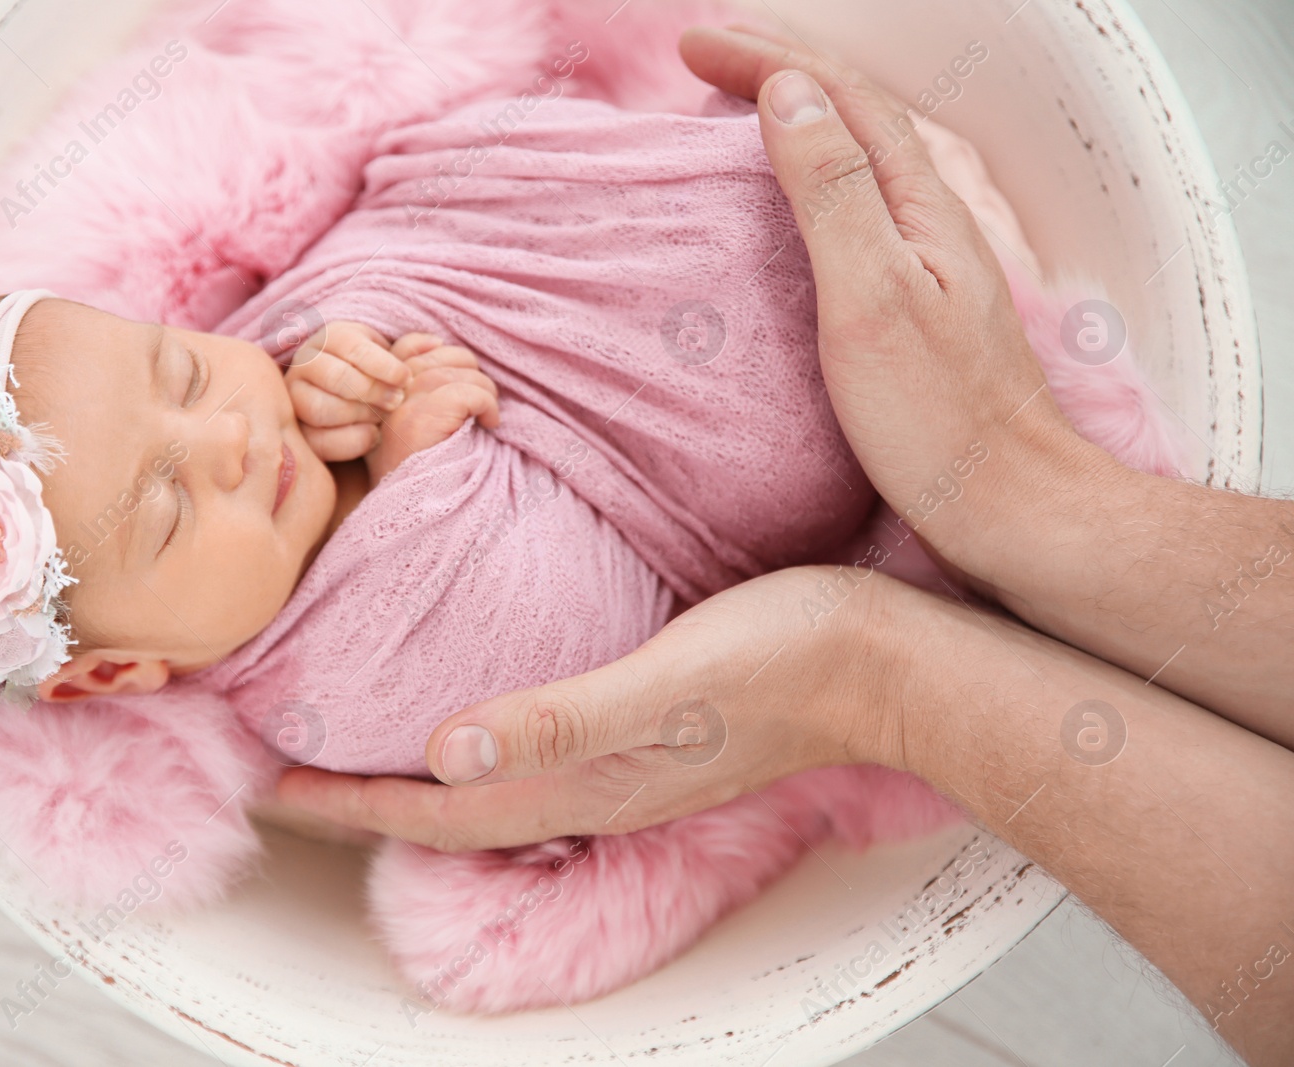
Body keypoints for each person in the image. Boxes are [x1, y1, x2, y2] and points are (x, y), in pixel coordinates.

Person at [273, 23, 1294, 1065]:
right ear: (131, 666)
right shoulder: (305, 665)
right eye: (164, 509)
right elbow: (525, 619)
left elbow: (337, 301)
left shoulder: (277, 399)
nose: (226, 438)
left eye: (179, 370)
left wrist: (341, 365)